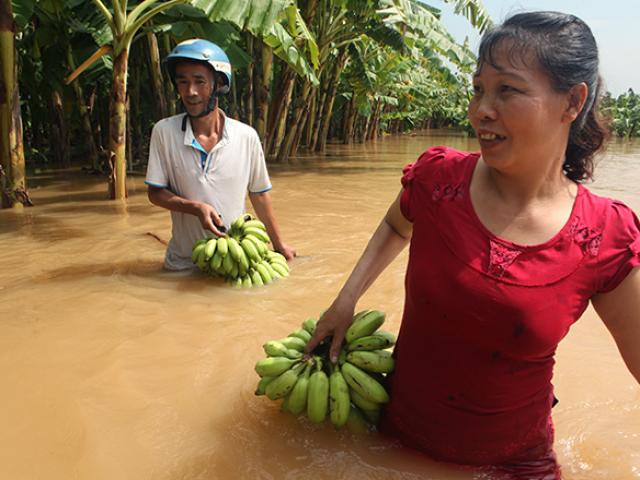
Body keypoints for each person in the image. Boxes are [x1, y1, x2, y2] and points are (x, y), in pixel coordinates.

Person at [305, 11, 640, 479]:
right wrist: (346, 300)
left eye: (507, 89)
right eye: (479, 88)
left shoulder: (603, 235)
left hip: (517, 465)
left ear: (572, 101)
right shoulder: (438, 182)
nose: (481, 109)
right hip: (395, 445)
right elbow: (394, 226)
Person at [145, 39, 295, 271]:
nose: (190, 91)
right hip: (182, 262)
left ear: (219, 84)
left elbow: (260, 196)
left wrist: (279, 244)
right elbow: (155, 194)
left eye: (199, 82)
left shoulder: (246, 137)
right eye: (182, 82)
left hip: (235, 259)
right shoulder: (164, 132)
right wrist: (195, 208)